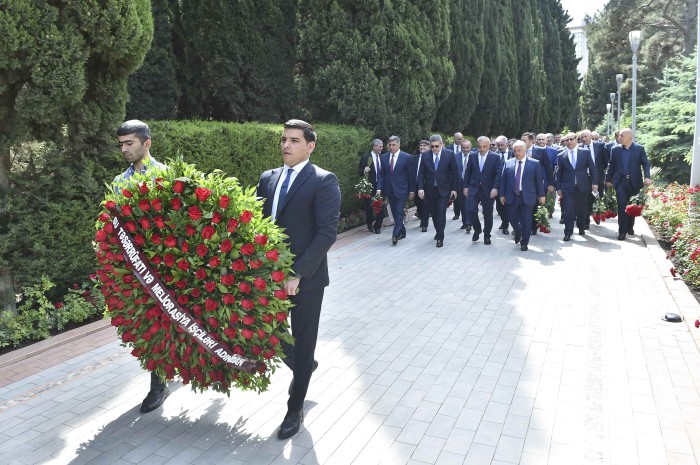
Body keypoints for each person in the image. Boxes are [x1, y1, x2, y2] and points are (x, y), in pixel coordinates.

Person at [256, 119, 341, 439]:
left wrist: (298, 273)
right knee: (269, 332)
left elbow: (326, 232)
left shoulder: (323, 180)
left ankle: (295, 408)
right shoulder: (268, 178)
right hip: (269, 275)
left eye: (294, 140)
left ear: (310, 146)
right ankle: (303, 365)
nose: (286, 145)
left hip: (307, 279)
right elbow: (258, 223)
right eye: (283, 139)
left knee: (304, 340)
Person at [113, 120, 169, 414]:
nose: (124, 149)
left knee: (166, 322)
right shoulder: (119, 183)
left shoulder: (166, 177)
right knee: (150, 325)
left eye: (129, 143)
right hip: (134, 270)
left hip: (164, 267)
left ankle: (159, 384)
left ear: (147, 143)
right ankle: (160, 378)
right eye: (121, 144)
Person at [605, 128, 652, 240]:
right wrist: (608, 180)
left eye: (621, 136)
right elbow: (611, 165)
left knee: (632, 206)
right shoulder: (615, 149)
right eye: (618, 136)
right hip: (620, 182)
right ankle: (622, 232)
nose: (618, 138)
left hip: (634, 182)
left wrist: (647, 177)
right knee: (622, 207)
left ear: (629, 137)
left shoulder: (639, 149)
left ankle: (630, 226)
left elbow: (645, 164)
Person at [500, 141, 545, 251]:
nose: (517, 153)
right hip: (512, 195)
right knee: (511, 217)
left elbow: (538, 181)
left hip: (527, 196)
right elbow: (503, 180)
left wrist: (541, 195)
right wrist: (502, 194)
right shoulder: (508, 163)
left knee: (526, 220)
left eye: (519, 150)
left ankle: (524, 242)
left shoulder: (534, 163)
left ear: (525, 150)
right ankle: (518, 231)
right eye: (515, 151)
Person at [555, 132, 598, 241]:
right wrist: (558, 188)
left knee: (582, 209)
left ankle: (581, 226)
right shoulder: (561, 155)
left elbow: (592, 168)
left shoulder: (585, 152)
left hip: (582, 186)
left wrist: (595, 183)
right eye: (567, 140)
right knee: (568, 211)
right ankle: (568, 232)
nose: (569, 142)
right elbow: (558, 173)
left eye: (571, 139)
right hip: (568, 188)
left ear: (576, 139)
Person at [417, 134, 458, 247]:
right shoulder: (425, 156)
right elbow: (421, 174)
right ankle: (438, 231)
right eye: (432, 146)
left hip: (444, 190)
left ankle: (440, 237)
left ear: (441, 144)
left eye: (436, 146)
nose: (434, 149)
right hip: (430, 190)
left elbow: (455, 173)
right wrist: (420, 188)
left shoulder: (449, 154)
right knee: (434, 214)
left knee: (440, 212)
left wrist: (454, 189)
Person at [377, 136, 416, 245]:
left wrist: (412, 191)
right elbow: (381, 174)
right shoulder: (383, 157)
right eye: (389, 145)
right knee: (395, 212)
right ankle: (402, 231)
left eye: (393, 145)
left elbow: (411, 176)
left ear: (399, 145)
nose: (391, 147)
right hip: (389, 190)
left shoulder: (407, 157)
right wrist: (379, 188)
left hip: (402, 189)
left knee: (399, 211)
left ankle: (395, 234)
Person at [463, 136, 502, 245]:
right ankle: (477, 229)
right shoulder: (472, 156)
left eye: (484, 146)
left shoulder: (495, 157)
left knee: (488, 213)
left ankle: (487, 234)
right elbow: (467, 172)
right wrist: (465, 186)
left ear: (489, 146)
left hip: (488, 190)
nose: (482, 149)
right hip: (474, 189)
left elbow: (498, 174)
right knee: (471, 210)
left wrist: (495, 188)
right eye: (479, 146)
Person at [579, 129, 609, 228]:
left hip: (598, 177)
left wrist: (599, 171)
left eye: (585, 136)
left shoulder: (600, 146)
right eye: (581, 137)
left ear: (590, 136)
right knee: (585, 199)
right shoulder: (579, 148)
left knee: (597, 196)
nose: (583, 139)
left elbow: (606, 160)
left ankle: (597, 214)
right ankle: (586, 221)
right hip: (584, 178)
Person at [530, 134, 555, 235]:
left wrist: (551, 183)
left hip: (543, 182)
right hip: (531, 182)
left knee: (538, 204)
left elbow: (550, 168)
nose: (541, 141)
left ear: (547, 140)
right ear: (535, 140)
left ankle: (536, 224)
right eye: (538, 139)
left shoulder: (551, 151)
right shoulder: (532, 150)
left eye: (543, 140)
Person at [358, 139, 384, 234]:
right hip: (369, 186)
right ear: (374, 147)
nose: (381, 148)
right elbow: (360, 171)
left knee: (380, 206)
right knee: (369, 207)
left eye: (382, 146)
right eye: (379, 146)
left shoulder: (383, 157)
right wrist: (364, 170)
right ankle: (369, 223)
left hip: (381, 186)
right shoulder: (365, 157)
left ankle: (378, 227)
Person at [494, 135, 513, 234]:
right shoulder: (493, 154)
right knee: (499, 206)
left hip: (510, 184)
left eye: (502, 145)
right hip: (498, 184)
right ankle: (504, 221)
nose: (500, 147)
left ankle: (506, 224)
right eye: (498, 145)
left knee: (508, 205)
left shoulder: (513, 154)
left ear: (507, 144)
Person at [454, 139, 473, 232]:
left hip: (471, 183)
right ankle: (465, 222)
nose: (465, 150)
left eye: (467, 148)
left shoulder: (474, 156)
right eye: (463, 148)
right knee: (462, 204)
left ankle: (469, 223)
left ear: (471, 147)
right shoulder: (455, 156)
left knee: (469, 203)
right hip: (459, 183)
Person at [412, 140, 429, 221]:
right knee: (418, 203)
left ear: (429, 147)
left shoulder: (431, 157)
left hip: (427, 185)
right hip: (416, 185)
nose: (422, 147)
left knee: (425, 204)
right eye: (421, 145)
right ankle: (422, 216)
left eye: (424, 145)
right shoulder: (414, 158)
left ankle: (424, 223)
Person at [450, 132, 465, 220]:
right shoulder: (449, 149)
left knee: (463, 199)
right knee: (456, 197)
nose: (460, 141)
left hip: (463, 176)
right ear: (454, 139)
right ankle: (456, 214)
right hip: (454, 176)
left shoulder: (466, 149)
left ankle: (465, 218)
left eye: (461, 139)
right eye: (458, 139)